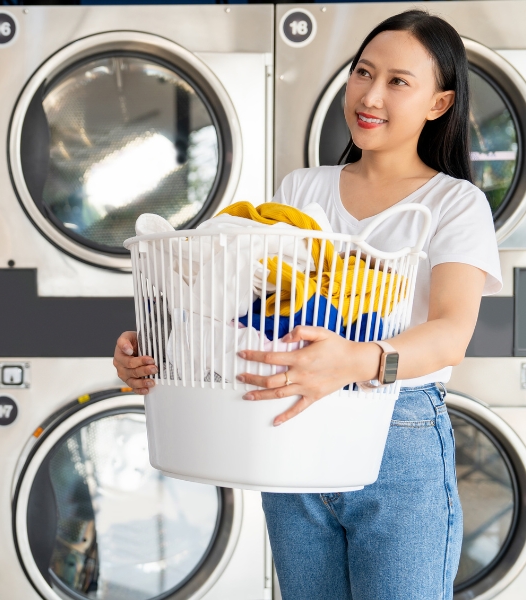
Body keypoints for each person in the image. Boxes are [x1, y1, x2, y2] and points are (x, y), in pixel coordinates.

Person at [113, 9, 501, 600]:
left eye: (399, 81)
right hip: (290, 428)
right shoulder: (304, 190)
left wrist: (356, 361)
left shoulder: (456, 203)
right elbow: (249, 307)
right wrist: (160, 348)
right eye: (363, 73)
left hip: (398, 433)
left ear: (439, 104)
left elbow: (451, 334)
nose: (370, 95)